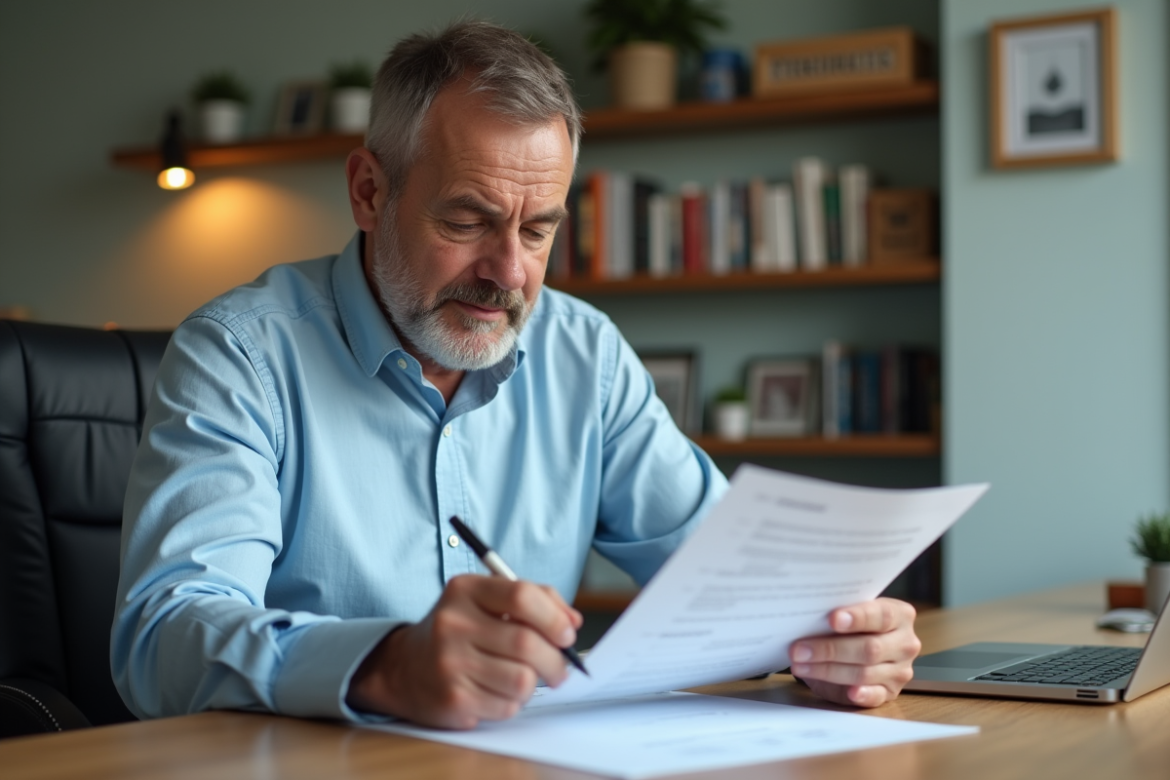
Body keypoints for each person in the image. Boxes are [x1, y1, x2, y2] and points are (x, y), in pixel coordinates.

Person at [112, 20, 920, 731]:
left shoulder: (584, 353)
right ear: (368, 191)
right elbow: (163, 641)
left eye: (538, 231)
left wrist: (835, 633)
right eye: (468, 220)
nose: (508, 273)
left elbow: (730, 576)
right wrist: (388, 665)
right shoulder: (239, 355)